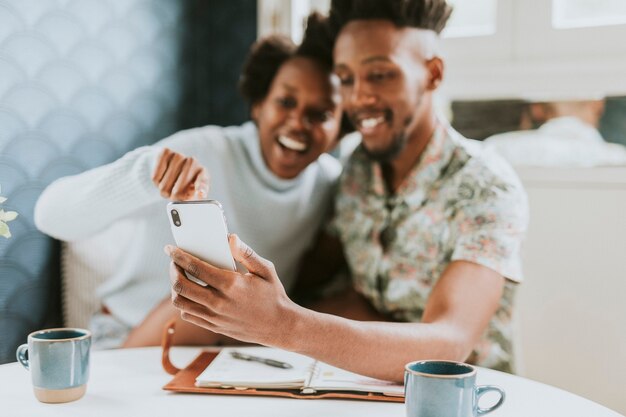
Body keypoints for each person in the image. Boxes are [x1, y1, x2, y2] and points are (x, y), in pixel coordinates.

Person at [165, 0, 529, 383]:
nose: (357, 99)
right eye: (347, 79)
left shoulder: (486, 187)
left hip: (466, 397)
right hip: (360, 387)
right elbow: (314, 284)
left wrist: (282, 325)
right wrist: (230, 306)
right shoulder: (357, 172)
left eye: (380, 75)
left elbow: (448, 344)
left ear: (432, 74)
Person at [34, 23, 345, 349]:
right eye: (285, 102)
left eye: (320, 114)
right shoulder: (200, 150)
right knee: (205, 297)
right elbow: (48, 215)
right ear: (259, 105)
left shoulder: (329, 185)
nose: (298, 123)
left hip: (228, 347)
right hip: (130, 336)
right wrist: (144, 175)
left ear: (340, 129)